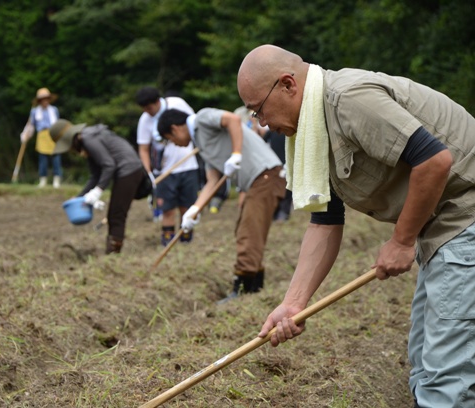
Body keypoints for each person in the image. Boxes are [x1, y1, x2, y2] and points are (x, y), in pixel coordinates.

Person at [237, 44, 475, 408]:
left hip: (466, 215)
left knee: (446, 378)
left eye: (259, 109)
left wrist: (401, 240)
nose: (261, 122)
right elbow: (325, 222)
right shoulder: (312, 133)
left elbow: (434, 160)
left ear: (288, 85)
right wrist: (293, 304)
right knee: (424, 360)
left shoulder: (349, 99)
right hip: (443, 226)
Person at [157, 107, 286, 301]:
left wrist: (236, 154)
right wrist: (193, 211)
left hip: (265, 175)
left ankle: (243, 288)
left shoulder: (201, 118)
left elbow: (232, 119)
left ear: (175, 129)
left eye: (170, 139)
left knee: (248, 233)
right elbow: (212, 181)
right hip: (259, 180)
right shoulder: (202, 144)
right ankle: (255, 285)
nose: (174, 144)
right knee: (248, 231)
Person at [50, 119, 147, 254]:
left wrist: (98, 191)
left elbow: (109, 165)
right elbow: (95, 175)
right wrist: (80, 197)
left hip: (129, 170)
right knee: (115, 213)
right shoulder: (86, 140)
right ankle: (113, 250)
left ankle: (113, 252)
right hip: (126, 170)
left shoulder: (88, 139)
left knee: (116, 213)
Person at [135, 87, 200, 245]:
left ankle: (186, 241)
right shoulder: (145, 120)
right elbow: (143, 148)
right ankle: (168, 243)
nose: (147, 112)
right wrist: (149, 172)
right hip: (163, 171)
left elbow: (194, 124)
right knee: (167, 209)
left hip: (188, 166)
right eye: (144, 109)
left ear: (157, 101)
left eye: (149, 108)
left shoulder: (177, 104)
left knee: (187, 207)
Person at [20, 87, 62, 188]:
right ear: (40, 101)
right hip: (42, 135)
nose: (45, 101)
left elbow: (58, 123)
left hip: (53, 134)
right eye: (43, 99)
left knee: (56, 158)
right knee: (43, 159)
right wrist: (26, 134)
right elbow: (31, 125)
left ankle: (57, 180)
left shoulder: (54, 110)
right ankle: (43, 180)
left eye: (47, 99)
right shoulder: (35, 112)